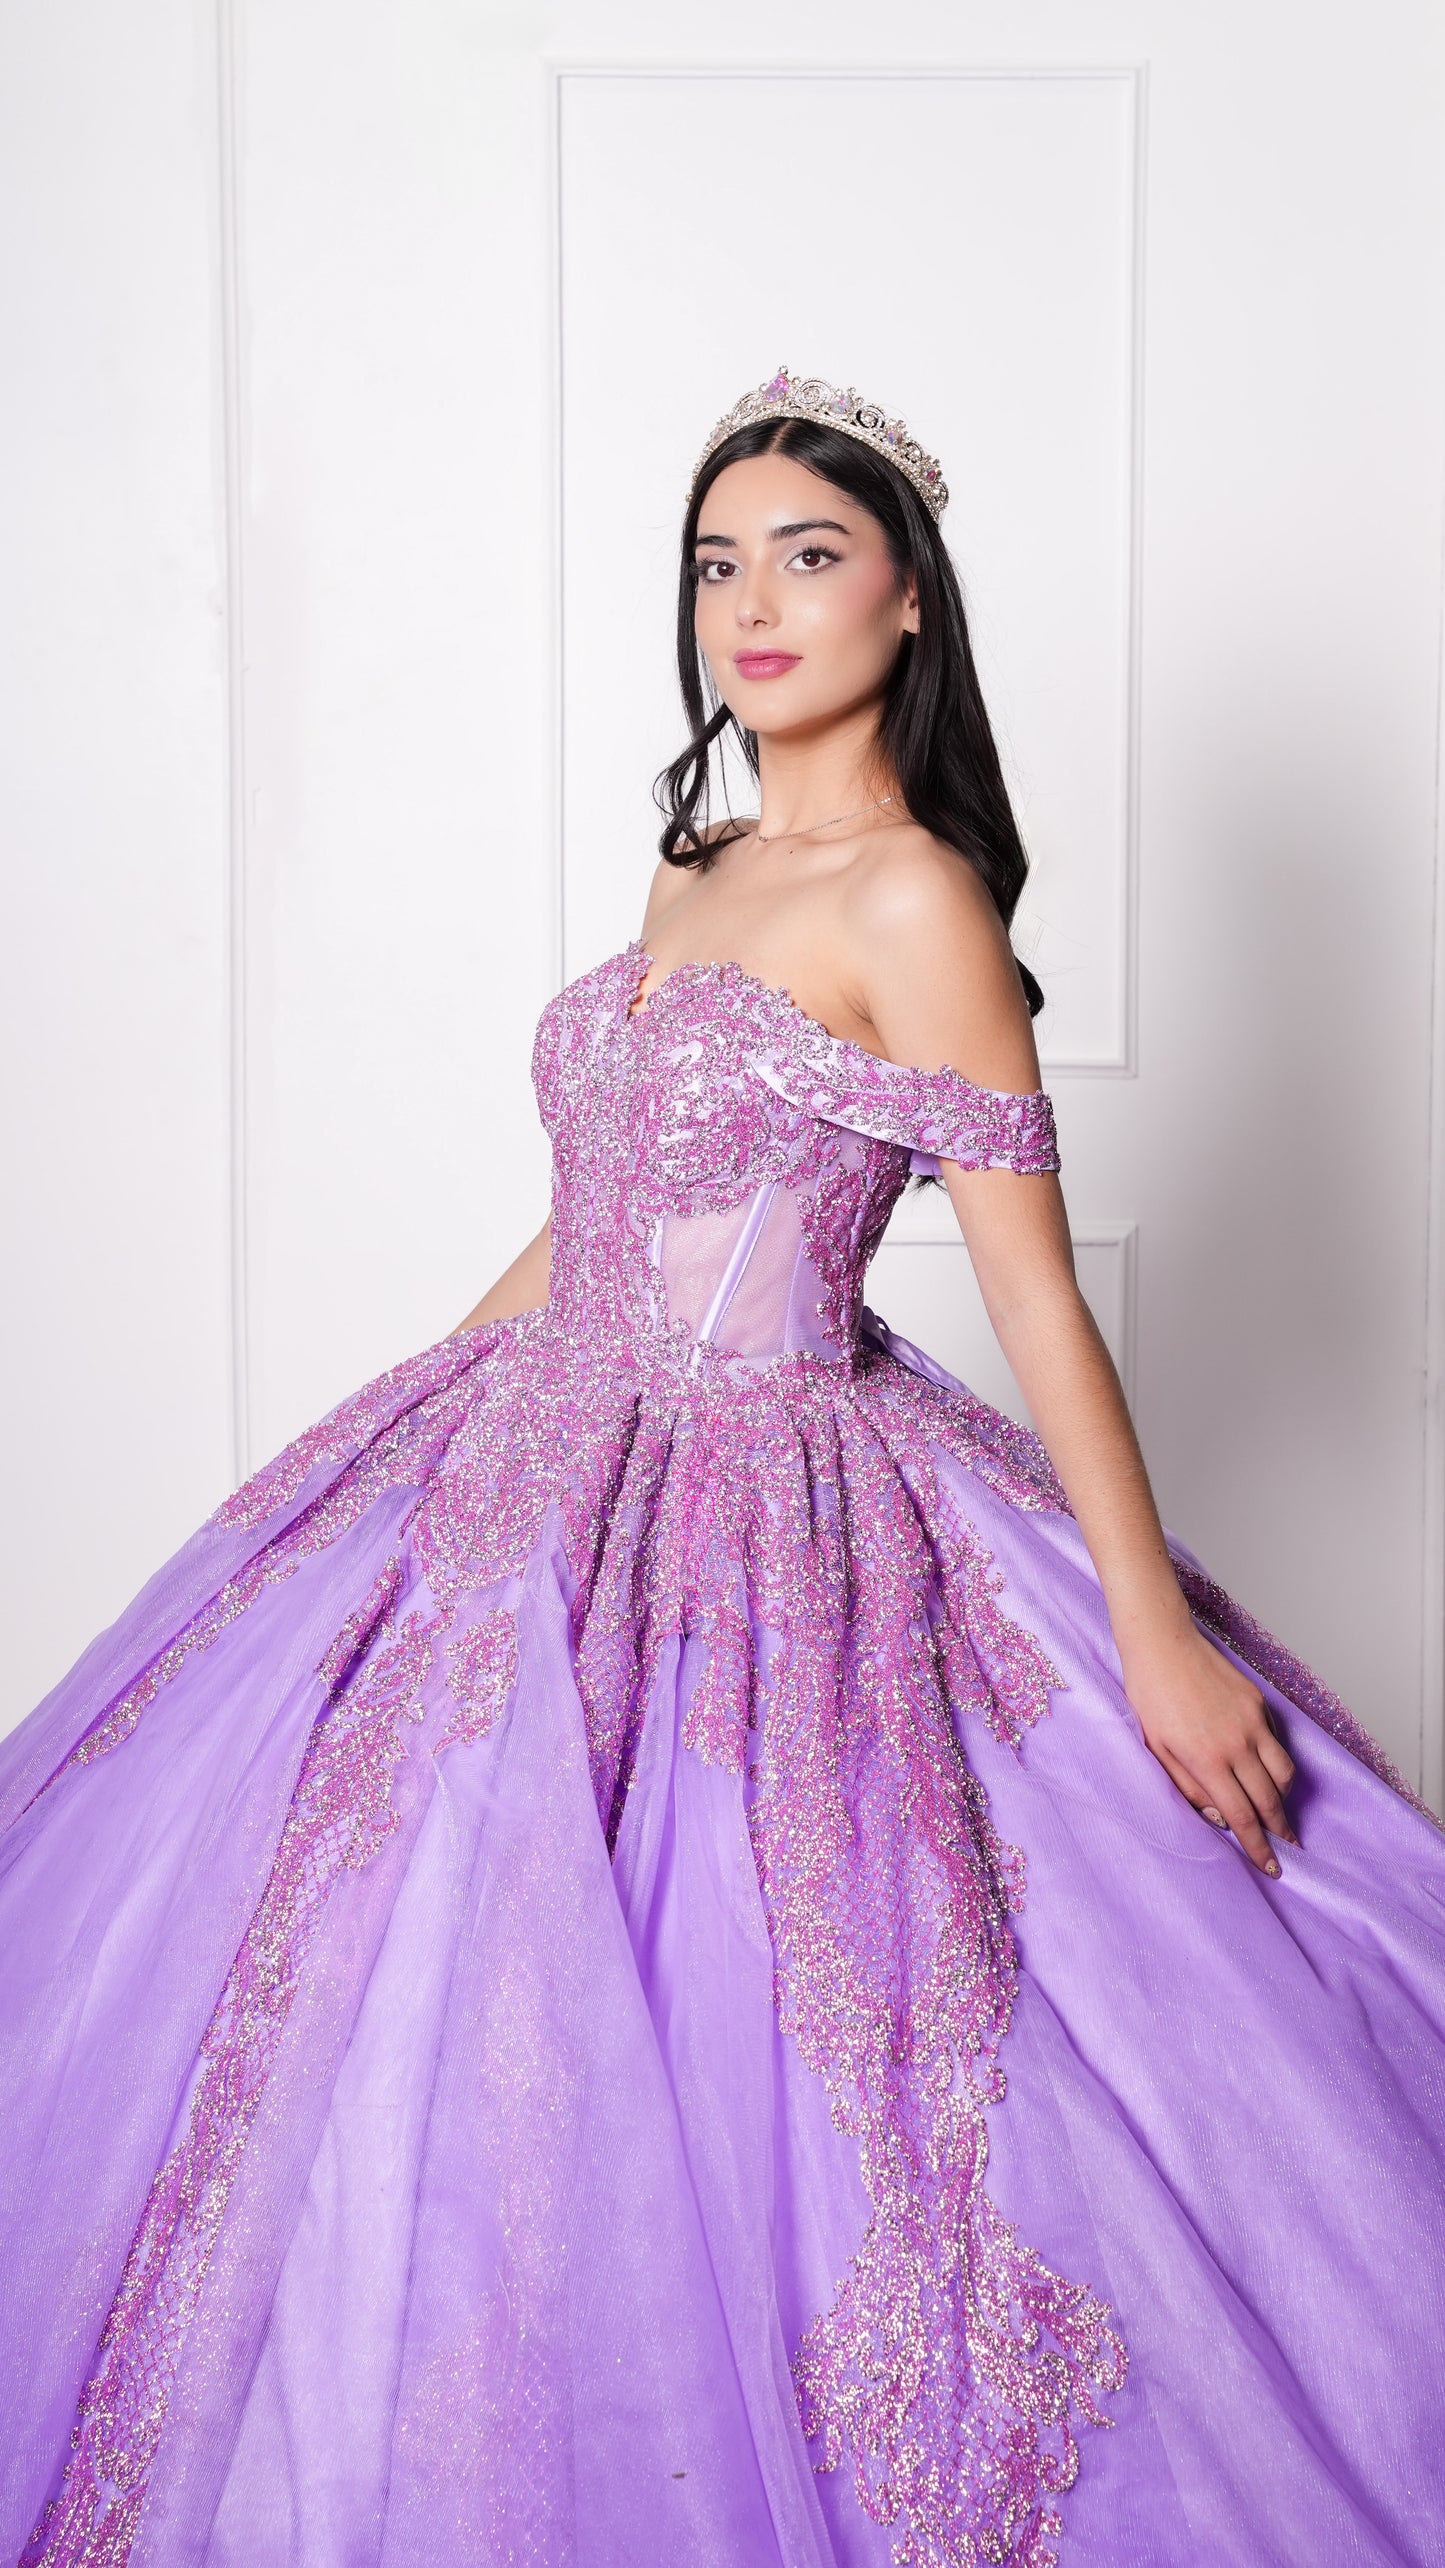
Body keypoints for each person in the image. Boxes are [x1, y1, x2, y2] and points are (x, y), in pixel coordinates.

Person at [2, 366, 1442, 2568]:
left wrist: (1158, 1641)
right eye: (714, 564)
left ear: (907, 601)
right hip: (537, 1449)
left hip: (779, 1504)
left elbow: (1036, 1300)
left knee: (785, 2018)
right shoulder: (700, 864)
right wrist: (408, 1424)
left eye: (808, 556)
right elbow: (603, 1211)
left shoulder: (914, 901)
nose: (750, 606)